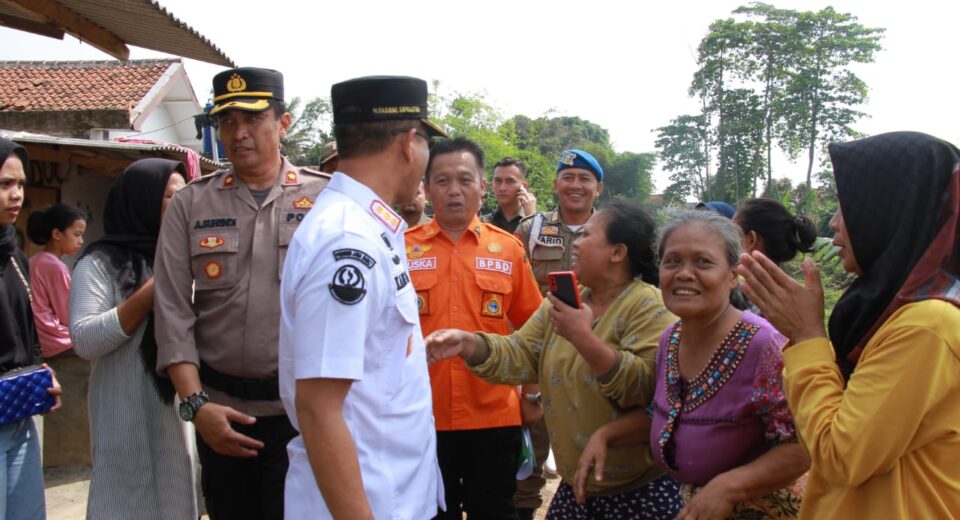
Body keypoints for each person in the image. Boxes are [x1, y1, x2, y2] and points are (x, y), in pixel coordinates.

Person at [737, 131, 960, 518]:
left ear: (893, 209)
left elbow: (841, 456)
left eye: (846, 205)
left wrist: (807, 336)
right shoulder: (887, 311)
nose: (834, 223)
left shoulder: (926, 325)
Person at [427, 200, 682, 518]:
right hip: (576, 488)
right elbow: (520, 354)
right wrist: (468, 344)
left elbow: (643, 389)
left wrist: (583, 338)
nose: (576, 243)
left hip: (637, 492)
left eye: (586, 236)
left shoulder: (650, 307)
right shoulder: (561, 304)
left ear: (617, 252)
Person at [154, 67, 329, 519]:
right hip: (221, 414)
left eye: (253, 119)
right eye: (227, 121)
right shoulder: (191, 204)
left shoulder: (326, 200)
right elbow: (172, 311)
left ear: (283, 123)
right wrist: (197, 406)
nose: (239, 133)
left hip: (304, 417)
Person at [278, 75, 447, 519]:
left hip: (392, 493)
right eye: (427, 142)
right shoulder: (347, 240)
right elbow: (318, 407)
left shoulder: (368, 227)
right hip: (368, 502)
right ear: (409, 144)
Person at [578, 210, 810, 519]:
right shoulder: (671, 339)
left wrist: (730, 487)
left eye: (703, 262)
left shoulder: (765, 345)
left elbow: (802, 445)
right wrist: (607, 435)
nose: (684, 274)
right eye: (672, 261)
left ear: (733, 275)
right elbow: (668, 415)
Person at [408, 137, 542, 519]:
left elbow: (534, 328)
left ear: (482, 187)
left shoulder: (509, 249)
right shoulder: (400, 249)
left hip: (495, 415)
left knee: (495, 511)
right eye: (442, 180)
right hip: (421, 414)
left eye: (465, 180)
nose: (454, 190)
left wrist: (532, 395)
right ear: (427, 187)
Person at [69, 158, 196, 519]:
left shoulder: (185, 258)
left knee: (175, 497)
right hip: (123, 413)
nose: (182, 205)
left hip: (177, 414)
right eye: (172, 196)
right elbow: (85, 340)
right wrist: (152, 291)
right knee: (125, 501)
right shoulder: (98, 264)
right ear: (142, 201)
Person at [512, 148, 604, 515]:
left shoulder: (613, 230)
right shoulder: (530, 229)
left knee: (593, 446)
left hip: (594, 353)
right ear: (556, 184)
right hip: (540, 354)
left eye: (584, 179)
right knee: (530, 453)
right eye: (568, 178)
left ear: (598, 188)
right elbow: (511, 290)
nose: (575, 185)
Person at [0, 138, 62, 520]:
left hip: (19, 416)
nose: (17, 194)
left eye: (21, 184)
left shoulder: (14, 258)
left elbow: (22, 333)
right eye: (5, 184)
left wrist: (39, 371)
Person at [26, 204, 86, 359]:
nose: (81, 241)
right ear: (57, 234)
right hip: (57, 340)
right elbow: (68, 315)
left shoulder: (33, 261)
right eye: (77, 234)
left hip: (36, 339)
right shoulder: (56, 267)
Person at [734, 199, 817, 265]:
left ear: (751, 239)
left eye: (732, 234)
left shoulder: (735, 280)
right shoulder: (786, 281)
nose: (728, 241)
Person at [481, 157, 537, 234]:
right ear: (492, 185)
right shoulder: (482, 224)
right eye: (498, 181)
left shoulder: (539, 222)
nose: (502, 188)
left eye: (510, 181)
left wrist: (532, 218)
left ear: (523, 186)